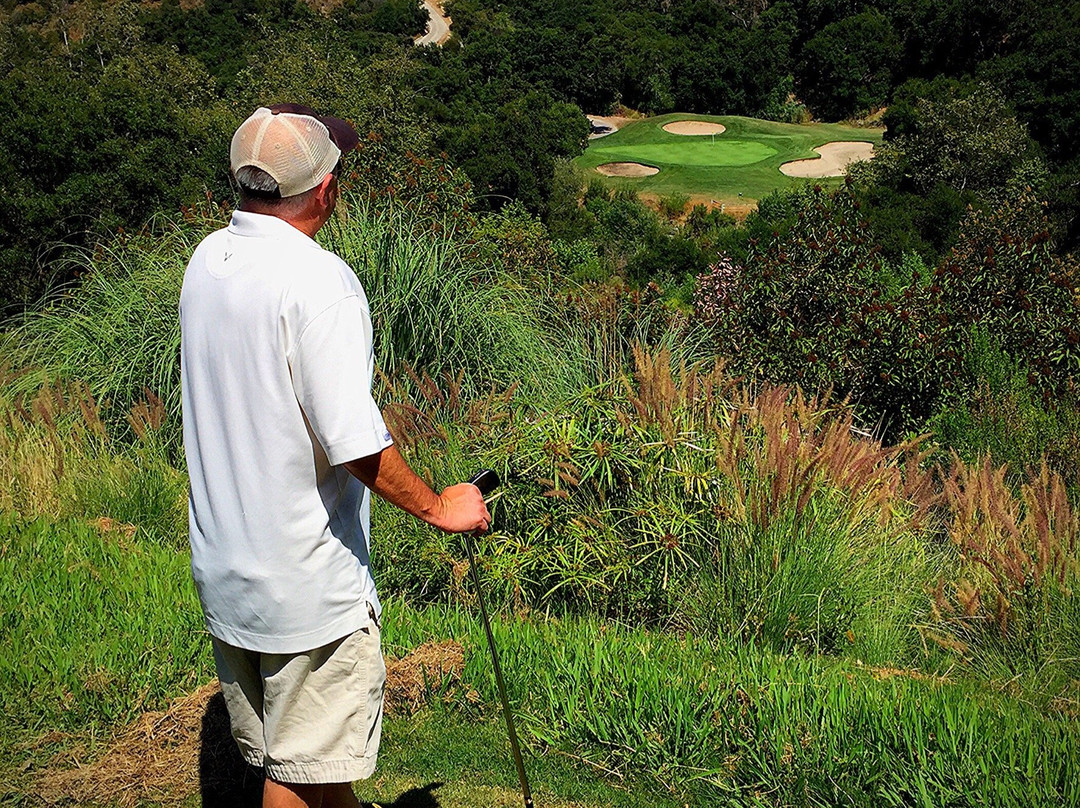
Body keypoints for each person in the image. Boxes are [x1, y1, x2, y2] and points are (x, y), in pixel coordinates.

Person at [179, 104, 490, 808]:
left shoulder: (206, 262)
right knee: (295, 778)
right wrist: (443, 505)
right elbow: (354, 441)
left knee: (311, 769)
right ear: (324, 191)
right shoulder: (319, 283)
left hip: (228, 569)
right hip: (304, 585)